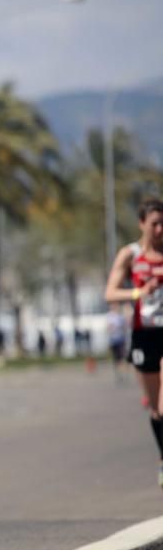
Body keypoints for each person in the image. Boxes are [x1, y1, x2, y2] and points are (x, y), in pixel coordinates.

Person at [104, 197, 163, 489]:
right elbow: (110, 293)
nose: (160, 229)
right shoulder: (131, 255)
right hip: (144, 335)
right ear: (142, 224)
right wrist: (138, 293)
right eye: (155, 224)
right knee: (156, 410)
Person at [106, 304, 128, 384]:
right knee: (115, 359)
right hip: (113, 340)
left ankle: (124, 374)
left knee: (122, 358)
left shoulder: (120, 316)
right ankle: (118, 374)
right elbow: (108, 327)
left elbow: (124, 326)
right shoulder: (109, 316)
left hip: (120, 340)